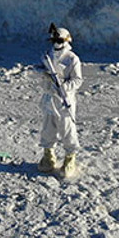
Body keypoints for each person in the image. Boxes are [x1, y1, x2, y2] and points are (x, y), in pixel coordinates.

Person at [37, 24, 83, 179]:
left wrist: (63, 86)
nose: (56, 43)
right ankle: (48, 156)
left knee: (67, 129)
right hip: (49, 98)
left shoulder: (72, 59)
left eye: (59, 40)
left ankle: (70, 158)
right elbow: (42, 67)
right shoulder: (48, 55)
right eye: (54, 40)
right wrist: (44, 74)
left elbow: (77, 80)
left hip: (64, 100)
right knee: (48, 128)